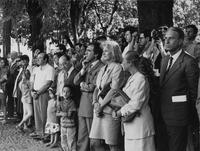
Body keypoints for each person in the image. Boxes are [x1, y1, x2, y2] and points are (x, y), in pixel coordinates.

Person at [159, 27, 199, 151]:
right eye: (165, 38)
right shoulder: (164, 60)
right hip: (161, 114)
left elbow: (194, 94)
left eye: (171, 38)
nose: (166, 41)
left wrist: (192, 120)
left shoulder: (189, 62)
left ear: (181, 41)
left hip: (179, 117)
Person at [113, 51, 156, 151]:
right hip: (131, 124)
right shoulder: (132, 77)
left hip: (140, 126)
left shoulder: (140, 78)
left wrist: (119, 112)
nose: (122, 63)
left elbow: (136, 103)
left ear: (130, 63)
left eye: (124, 61)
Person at [89, 40, 124, 151]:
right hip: (98, 109)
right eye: (103, 51)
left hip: (109, 110)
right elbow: (96, 88)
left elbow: (114, 90)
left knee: (112, 144)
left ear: (114, 53)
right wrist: (95, 102)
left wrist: (101, 106)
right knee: (95, 142)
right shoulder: (103, 68)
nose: (103, 53)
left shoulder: (117, 67)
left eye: (106, 51)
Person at [74, 42, 104, 151]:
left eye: (89, 51)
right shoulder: (86, 65)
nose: (86, 53)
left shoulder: (101, 66)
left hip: (91, 102)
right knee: (82, 135)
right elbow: (75, 81)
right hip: (83, 103)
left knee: (93, 135)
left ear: (96, 54)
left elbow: (94, 87)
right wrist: (82, 69)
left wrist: (83, 85)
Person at [30, 52, 55, 139]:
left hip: (44, 94)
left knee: (44, 113)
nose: (38, 59)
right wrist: (32, 91)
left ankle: (45, 133)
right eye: (37, 57)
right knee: (37, 114)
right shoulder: (36, 69)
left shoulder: (50, 69)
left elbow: (48, 83)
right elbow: (32, 81)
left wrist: (38, 93)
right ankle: (39, 131)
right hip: (35, 93)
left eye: (40, 58)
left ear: (45, 59)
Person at [56, 85, 77, 151]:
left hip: (71, 126)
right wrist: (62, 113)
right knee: (63, 140)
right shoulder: (61, 102)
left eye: (67, 92)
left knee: (71, 141)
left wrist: (61, 113)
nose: (65, 93)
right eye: (64, 91)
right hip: (63, 125)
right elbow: (57, 113)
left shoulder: (72, 103)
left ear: (71, 94)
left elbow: (69, 115)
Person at [0, 58, 9, 123]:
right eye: (0, 62)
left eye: (2, 62)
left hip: (3, 87)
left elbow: (5, 78)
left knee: (3, 103)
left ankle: (5, 118)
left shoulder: (6, 69)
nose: (1, 63)